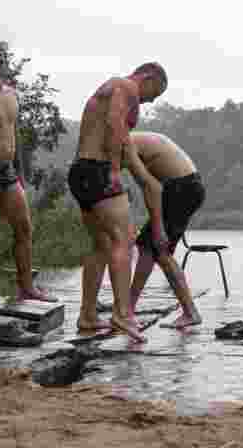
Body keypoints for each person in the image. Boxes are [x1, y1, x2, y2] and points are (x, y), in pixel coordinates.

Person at [68, 62, 167, 343]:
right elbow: (114, 124)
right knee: (124, 241)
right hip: (99, 169)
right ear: (148, 78)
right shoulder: (125, 87)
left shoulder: (109, 88)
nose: (149, 101)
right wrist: (113, 170)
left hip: (81, 171)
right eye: (154, 93)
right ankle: (122, 314)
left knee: (101, 245)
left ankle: (87, 316)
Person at [0, 38, 56, 302]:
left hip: (7, 170)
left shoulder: (11, 94)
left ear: (4, 64)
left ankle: (27, 287)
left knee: (24, 228)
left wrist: (21, 173)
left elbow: (14, 133)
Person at [122, 131, 203, 329]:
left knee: (160, 249)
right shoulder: (132, 139)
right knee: (147, 248)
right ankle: (128, 309)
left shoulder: (123, 144)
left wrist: (158, 228)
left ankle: (190, 312)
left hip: (181, 189)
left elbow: (151, 188)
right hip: (185, 186)